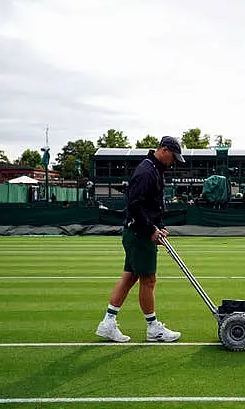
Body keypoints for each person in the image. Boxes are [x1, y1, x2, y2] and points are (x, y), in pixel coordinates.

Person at [96, 136, 186, 342]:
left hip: (136, 232)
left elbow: (152, 206)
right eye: (173, 157)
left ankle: (108, 323)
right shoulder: (146, 172)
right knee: (149, 280)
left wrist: (159, 226)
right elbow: (135, 205)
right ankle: (153, 328)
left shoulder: (154, 169)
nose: (173, 162)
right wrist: (150, 230)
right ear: (163, 150)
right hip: (139, 234)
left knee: (129, 277)